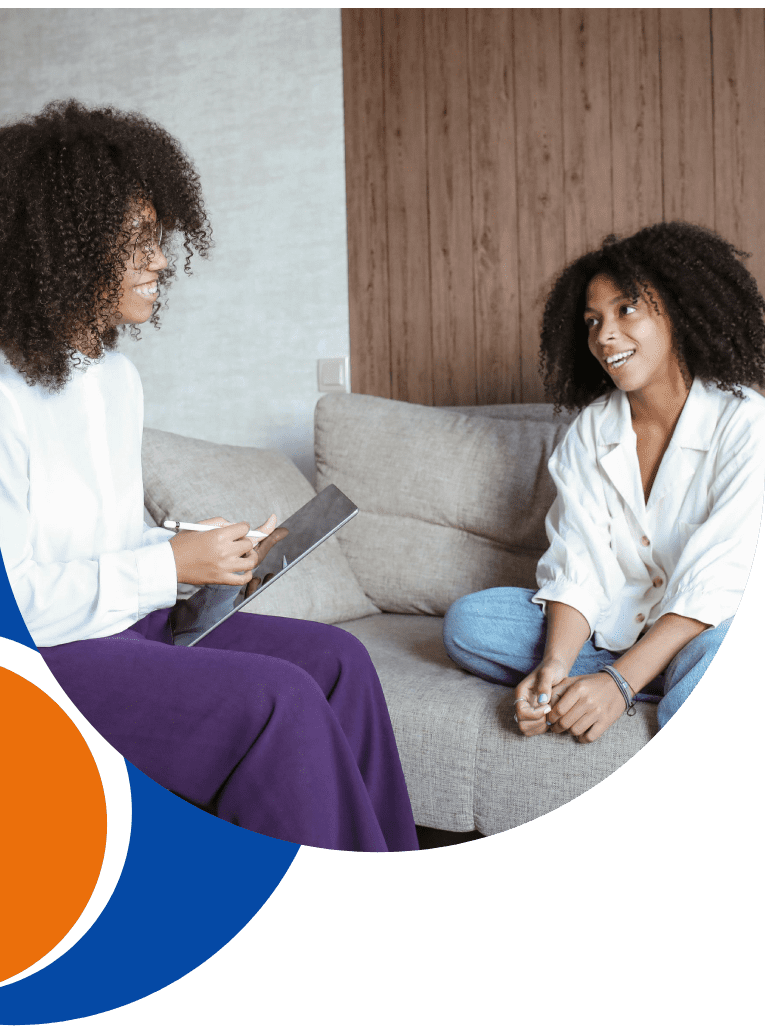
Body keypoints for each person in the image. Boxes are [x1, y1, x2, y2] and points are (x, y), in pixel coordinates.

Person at [0, 99, 418, 852]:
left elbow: (108, 534)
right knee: (276, 700)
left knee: (341, 661)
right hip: (37, 663)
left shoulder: (111, 377)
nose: (162, 261)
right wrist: (166, 567)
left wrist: (198, 550)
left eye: (158, 240)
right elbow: (16, 609)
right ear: (62, 249)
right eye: (138, 244)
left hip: (122, 624)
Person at [443, 222, 764, 741]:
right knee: (472, 623)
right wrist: (553, 667)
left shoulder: (747, 424)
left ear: (679, 309)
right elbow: (580, 562)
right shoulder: (591, 430)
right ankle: (650, 681)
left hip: (708, 628)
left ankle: (652, 679)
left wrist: (617, 683)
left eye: (626, 309)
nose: (604, 335)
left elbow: (720, 582)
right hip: (612, 629)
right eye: (592, 321)